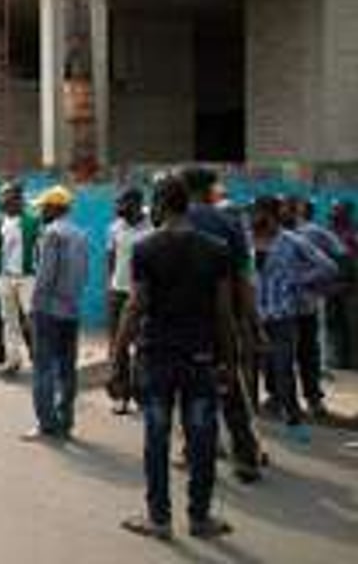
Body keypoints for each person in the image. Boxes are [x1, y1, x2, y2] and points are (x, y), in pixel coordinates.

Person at [116, 174, 235, 541]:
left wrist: (118, 353)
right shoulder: (216, 250)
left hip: (157, 357)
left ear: (162, 206)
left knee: (157, 437)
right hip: (200, 357)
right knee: (201, 438)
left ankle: (159, 518)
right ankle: (200, 517)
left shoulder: (146, 249)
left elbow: (135, 306)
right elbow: (223, 313)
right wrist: (228, 360)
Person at [181, 166, 264, 482]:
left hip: (183, 318)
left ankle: (196, 450)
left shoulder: (175, 221)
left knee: (189, 388)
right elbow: (243, 279)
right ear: (210, 189)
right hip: (223, 318)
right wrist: (253, 322)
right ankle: (245, 456)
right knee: (230, 383)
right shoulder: (229, 223)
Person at [251, 195, 338, 445]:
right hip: (252, 316)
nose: (254, 218)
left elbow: (328, 267)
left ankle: (293, 420)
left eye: (259, 214)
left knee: (283, 368)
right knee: (250, 370)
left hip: (282, 316)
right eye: (253, 213)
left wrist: (298, 281)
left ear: (272, 216)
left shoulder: (292, 242)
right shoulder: (247, 240)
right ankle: (251, 422)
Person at [22, 186, 88, 441]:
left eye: (44, 208)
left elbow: (45, 276)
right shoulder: (80, 234)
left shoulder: (51, 234)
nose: (40, 212)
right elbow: (83, 275)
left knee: (43, 368)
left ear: (54, 208)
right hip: (71, 309)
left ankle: (46, 422)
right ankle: (66, 421)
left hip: (48, 310)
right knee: (66, 368)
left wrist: (33, 307)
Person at [287, 196, 348, 415]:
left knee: (293, 352)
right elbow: (341, 255)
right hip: (305, 301)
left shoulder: (302, 234)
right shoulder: (313, 233)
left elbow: (338, 258)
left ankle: (290, 400)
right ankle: (311, 399)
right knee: (307, 351)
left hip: (288, 306)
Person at [106, 188, 151, 414]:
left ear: (135, 203)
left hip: (143, 295)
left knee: (143, 345)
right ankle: (121, 394)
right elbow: (111, 258)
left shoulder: (152, 226)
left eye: (122, 203)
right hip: (119, 293)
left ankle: (142, 393)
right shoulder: (115, 228)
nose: (118, 208)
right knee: (118, 345)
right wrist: (110, 285)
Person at [0, 182, 42, 374]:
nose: (3, 200)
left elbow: (40, 250)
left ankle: (39, 358)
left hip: (27, 277)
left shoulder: (32, 220)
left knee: (32, 319)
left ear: (18, 199)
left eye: (7, 196)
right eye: (2, 196)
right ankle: (13, 359)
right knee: (9, 320)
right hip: (5, 277)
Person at [327, 201, 357, 370]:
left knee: (352, 325)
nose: (333, 216)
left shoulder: (353, 233)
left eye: (338, 212)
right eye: (333, 212)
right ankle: (339, 361)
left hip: (351, 286)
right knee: (334, 323)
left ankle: (353, 362)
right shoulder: (329, 233)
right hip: (333, 285)